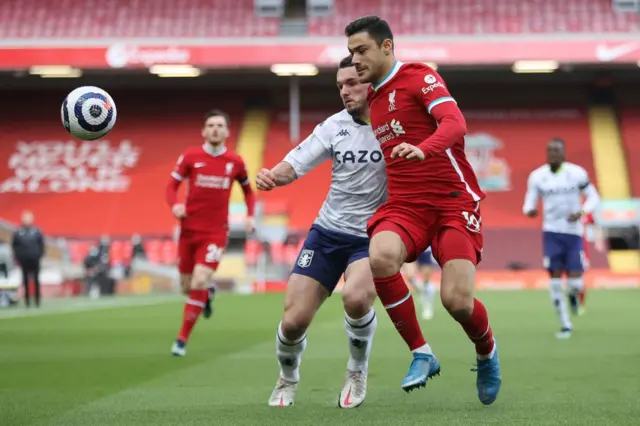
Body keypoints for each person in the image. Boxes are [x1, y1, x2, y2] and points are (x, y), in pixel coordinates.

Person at [345, 16, 501, 405]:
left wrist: (424, 148)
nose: (355, 58)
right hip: (406, 206)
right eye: (350, 52)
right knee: (380, 256)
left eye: (361, 50)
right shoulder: (373, 98)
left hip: (452, 201)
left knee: (457, 301)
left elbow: (455, 123)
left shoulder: (419, 77)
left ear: (387, 47)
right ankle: (421, 352)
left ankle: (487, 352)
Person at [256, 56, 385, 409]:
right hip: (327, 233)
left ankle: (357, 371)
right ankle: (288, 377)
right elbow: (295, 164)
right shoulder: (333, 126)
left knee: (356, 298)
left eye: (352, 83)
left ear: (371, 81)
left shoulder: (396, 125)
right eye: (340, 85)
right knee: (293, 321)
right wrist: (272, 175)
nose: (345, 90)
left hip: (373, 234)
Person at [166, 109, 256, 356]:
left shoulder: (235, 162)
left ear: (227, 131)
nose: (215, 129)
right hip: (188, 232)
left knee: (198, 280)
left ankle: (181, 339)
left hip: (215, 233)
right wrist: (175, 204)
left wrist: (249, 216)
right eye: (211, 125)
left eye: (220, 125)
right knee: (187, 287)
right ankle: (207, 294)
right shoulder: (190, 156)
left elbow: (249, 191)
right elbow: (171, 186)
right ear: (203, 131)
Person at [523, 138, 600, 338]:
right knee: (555, 280)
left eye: (557, 151)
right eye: (550, 151)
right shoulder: (537, 176)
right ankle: (566, 325)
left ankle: (574, 295)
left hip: (573, 233)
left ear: (563, 153)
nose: (553, 154)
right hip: (552, 233)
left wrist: (581, 212)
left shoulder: (576, 174)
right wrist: (530, 210)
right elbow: (529, 202)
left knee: (575, 283)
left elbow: (594, 197)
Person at [11, 211, 45, 308]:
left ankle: (37, 300)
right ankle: (27, 301)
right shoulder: (18, 232)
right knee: (25, 280)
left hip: (35, 258)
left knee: (36, 279)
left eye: (28, 218)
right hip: (24, 259)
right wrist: (19, 256)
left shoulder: (36, 231)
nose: (27, 220)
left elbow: (41, 245)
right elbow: (15, 246)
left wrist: (39, 255)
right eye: (25, 218)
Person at [404, 248, 437, 320]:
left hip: (425, 249)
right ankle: (425, 293)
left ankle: (427, 304)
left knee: (426, 280)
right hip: (410, 247)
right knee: (410, 276)